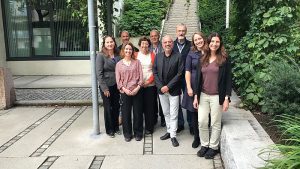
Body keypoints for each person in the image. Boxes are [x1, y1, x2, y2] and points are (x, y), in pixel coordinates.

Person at [193, 32, 232, 159]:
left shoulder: (224, 60)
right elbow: (198, 79)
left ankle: (213, 147)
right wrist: (195, 96)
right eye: (212, 41)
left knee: (215, 122)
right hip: (203, 95)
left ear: (220, 44)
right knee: (202, 121)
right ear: (208, 43)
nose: (214, 44)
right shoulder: (202, 58)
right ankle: (204, 145)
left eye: (217, 42)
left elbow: (228, 80)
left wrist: (226, 98)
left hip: (217, 96)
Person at [153, 35, 184, 147]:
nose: (167, 44)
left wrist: (168, 86)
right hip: (161, 90)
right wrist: (161, 86)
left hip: (174, 90)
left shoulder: (178, 56)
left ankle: (173, 135)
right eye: (165, 42)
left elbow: (180, 74)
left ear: (172, 43)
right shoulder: (158, 56)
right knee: (166, 112)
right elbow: (155, 72)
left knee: (174, 113)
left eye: (169, 42)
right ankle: (169, 130)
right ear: (162, 44)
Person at [182, 32, 207, 148]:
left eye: (200, 39)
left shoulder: (209, 52)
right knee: (194, 113)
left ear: (204, 39)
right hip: (193, 85)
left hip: (206, 86)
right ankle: (196, 138)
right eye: (196, 40)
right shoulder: (191, 54)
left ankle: (205, 136)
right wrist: (188, 87)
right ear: (193, 42)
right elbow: (187, 71)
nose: (198, 41)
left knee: (206, 113)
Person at [116, 42, 144, 142]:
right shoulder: (119, 64)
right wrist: (125, 90)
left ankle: (138, 133)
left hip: (137, 91)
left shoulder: (137, 62)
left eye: (130, 49)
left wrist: (137, 88)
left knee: (137, 113)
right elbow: (118, 81)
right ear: (123, 50)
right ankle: (127, 134)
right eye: (126, 49)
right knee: (126, 114)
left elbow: (141, 78)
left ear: (132, 51)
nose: (128, 51)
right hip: (125, 92)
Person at [96, 35, 121, 138]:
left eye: (111, 42)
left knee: (116, 106)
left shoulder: (118, 54)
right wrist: (104, 88)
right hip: (106, 85)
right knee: (108, 108)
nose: (110, 44)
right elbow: (99, 73)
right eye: (107, 42)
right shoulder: (101, 55)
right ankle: (109, 130)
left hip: (117, 84)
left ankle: (116, 127)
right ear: (104, 44)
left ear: (114, 43)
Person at [173, 23, 192, 133]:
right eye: (179, 31)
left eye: (183, 31)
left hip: (187, 77)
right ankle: (179, 123)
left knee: (189, 99)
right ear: (176, 32)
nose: (181, 33)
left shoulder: (191, 45)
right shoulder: (171, 44)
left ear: (186, 32)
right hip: (175, 77)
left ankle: (191, 124)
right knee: (176, 101)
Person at [136, 36, 156, 134]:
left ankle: (149, 127)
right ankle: (139, 127)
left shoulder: (153, 55)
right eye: (142, 44)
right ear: (139, 45)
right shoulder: (135, 55)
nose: (144, 45)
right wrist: (139, 82)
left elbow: (155, 71)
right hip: (138, 85)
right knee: (138, 107)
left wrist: (148, 82)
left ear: (149, 45)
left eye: (146, 44)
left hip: (150, 85)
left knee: (149, 107)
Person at [149, 29, 165, 127]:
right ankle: (154, 118)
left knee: (162, 99)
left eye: (155, 36)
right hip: (150, 78)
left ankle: (163, 118)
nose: (154, 38)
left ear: (159, 36)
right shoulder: (148, 47)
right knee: (152, 100)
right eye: (152, 36)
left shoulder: (163, 46)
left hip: (161, 78)